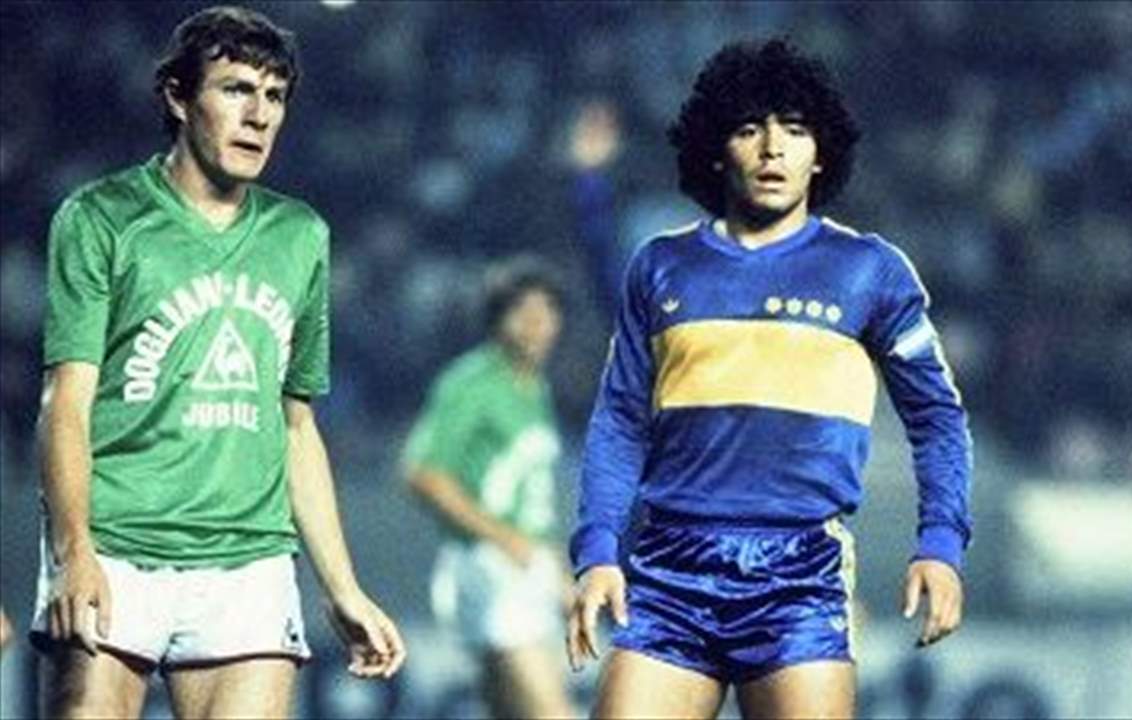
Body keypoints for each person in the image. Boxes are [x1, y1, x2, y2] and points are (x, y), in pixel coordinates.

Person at [566, 38, 973, 719]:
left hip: (800, 575)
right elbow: (620, 422)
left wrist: (940, 543)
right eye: (750, 128)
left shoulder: (870, 271)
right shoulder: (660, 267)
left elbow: (938, 419)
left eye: (796, 129)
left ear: (823, 152)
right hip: (668, 572)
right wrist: (598, 551)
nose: (773, 148)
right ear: (716, 149)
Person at [32, 6, 405, 718]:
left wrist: (343, 587)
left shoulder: (299, 236)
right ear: (178, 97)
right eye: (236, 90)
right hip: (116, 546)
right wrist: (73, 551)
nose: (259, 115)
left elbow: (296, 426)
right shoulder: (101, 217)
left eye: (275, 96)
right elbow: (65, 404)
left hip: (248, 563)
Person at [402, 257, 576, 719]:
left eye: (548, 311)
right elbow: (424, 474)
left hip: (527, 566)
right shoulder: (472, 382)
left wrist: (554, 568)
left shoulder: (535, 388)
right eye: (523, 311)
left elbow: (531, 493)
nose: (537, 324)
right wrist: (504, 539)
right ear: (498, 320)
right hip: (485, 564)